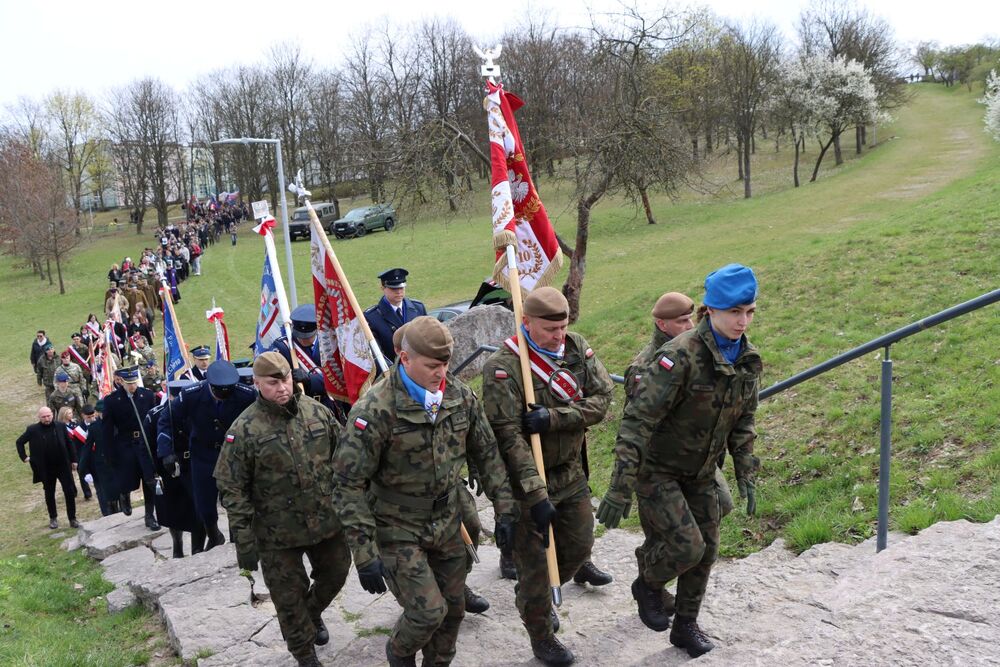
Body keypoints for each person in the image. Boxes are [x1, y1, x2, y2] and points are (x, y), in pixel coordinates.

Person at [332, 317, 519, 667]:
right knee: (427, 613)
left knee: (453, 612)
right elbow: (347, 484)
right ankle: (399, 652)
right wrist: (364, 551)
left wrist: (506, 508)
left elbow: (488, 453)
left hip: (448, 521)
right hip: (396, 527)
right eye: (433, 365)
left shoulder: (460, 396)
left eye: (446, 364)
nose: (441, 372)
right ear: (405, 359)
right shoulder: (375, 410)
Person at [597, 264, 763, 658]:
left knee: (707, 550)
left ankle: (686, 625)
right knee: (687, 547)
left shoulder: (746, 359)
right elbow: (637, 422)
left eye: (750, 311)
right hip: (658, 470)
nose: (743, 321)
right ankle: (648, 584)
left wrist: (746, 471)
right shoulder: (679, 356)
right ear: (711, 311)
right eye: (734, 312)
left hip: (702, 471)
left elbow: (744, 421)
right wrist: (620, 487)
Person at [480, 286, 613, 666]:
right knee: (537, 566)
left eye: (563, 326)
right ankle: (541, 632)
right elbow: (509, 437)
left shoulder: (576, 348)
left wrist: (554, 418)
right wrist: (536, 495)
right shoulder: (503, 368)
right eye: (550, 329)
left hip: (570, 473)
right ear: (526, 322)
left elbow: (601, 400)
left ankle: (533, 590)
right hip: (526, 483)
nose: (559, 336)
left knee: (579, 545)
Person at [215, 352, 349, 667]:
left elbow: (344, 459)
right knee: (288, 599)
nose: (282, 387)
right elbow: (231, 487)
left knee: (337, 573)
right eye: (273, 382)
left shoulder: (317, 412)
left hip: (325, 521)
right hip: (276, 533)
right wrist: (244, 540)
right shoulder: (244, 429)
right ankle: (305, 654)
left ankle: (312, 612)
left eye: (286, 379)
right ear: (257, 383)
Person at [158, 360, 256, 549]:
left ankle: (238, 538)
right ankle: (214, 534)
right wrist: (166, 452)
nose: (223, 397)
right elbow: (166, 419)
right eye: (219, 392)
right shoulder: (191, 395)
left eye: (228, 392)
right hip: (203, 453)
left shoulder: (246, 395)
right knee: (204, 504)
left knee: (236, 499)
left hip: (233, 454)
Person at [148, 379, 206, 557]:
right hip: (170, 470)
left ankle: (198, 549)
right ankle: (177, 544)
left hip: (195, 465)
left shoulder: (198, 410)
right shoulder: (155, 415)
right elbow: (148, 446)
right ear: (171, 395)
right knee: (174, 512)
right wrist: (152, 471)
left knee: (199, 510)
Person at [102, 366, 160, 529]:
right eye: (129, 383)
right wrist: (108, 452)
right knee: (128, 477)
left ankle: (150, 515)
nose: (132, 386)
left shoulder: (147, 395)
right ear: (121, 382)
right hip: (125, 443)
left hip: (144, 443)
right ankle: (124, 494)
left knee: (149, 479)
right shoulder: (112, 400)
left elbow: (154, 419)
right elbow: (107, 429)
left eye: (134, 382)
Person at [16, 407, 80, 529]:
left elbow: (69, 443)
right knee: (49, 493)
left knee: (69, 491)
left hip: (63, 465)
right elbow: (19, 442)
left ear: (52, 414)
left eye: (48, 416)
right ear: (39, 417)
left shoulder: (60, 426)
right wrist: (24, 457)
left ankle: (72, 518)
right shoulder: (32, 430)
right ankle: (53, 518)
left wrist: (74, 460)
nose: (47, 419)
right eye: (44, 417)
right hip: (46, 467)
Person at [364, 268, 427, 364]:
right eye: (393, 288)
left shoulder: (418, 308)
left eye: (401, 288)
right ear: (383, 288)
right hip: (393, 372)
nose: (398, 292)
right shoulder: (372, 317)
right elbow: (376, 354)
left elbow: (428, 339)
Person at [80, 400, 119, 516]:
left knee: (120, 488)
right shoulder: (94, 428)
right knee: (105, 492)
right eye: (101, 412)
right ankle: (109, 514)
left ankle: (122, 509)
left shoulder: (116, 423)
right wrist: (83, 469)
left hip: (117, 461)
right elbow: (86, 449)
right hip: (103, 464)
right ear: (97, 413)